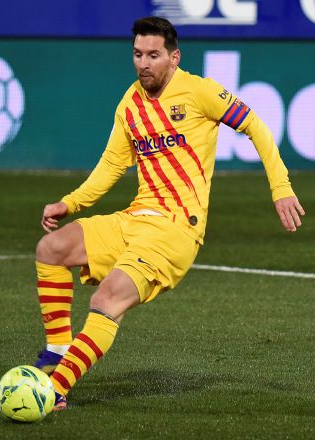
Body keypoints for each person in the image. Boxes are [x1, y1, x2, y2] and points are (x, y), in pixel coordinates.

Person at [31, 16, 305, 410]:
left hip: (176, 231)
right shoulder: (130, 103)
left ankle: (55, 389)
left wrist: (280, 189)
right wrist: (70, 203)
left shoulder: (200, 92)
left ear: (174, 58)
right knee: (51, 249)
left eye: (154, 55)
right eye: (138, 54)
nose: (144, 63)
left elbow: (256, 127)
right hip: (136, 218)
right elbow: (111, 165)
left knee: (107, 301)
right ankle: (58, 351)